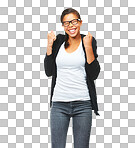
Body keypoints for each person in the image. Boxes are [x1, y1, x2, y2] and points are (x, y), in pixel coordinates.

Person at [44, 8, 100, 148]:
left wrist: (88, 48)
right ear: (63, 26)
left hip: (83, 103)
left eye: (74, 21)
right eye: (66, 23)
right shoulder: (59, 42)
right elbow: (48, 71)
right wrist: (49, 45)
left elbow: (94, 74)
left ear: (80, 22)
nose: (71, 26)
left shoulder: (88, 41)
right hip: (59, 103)